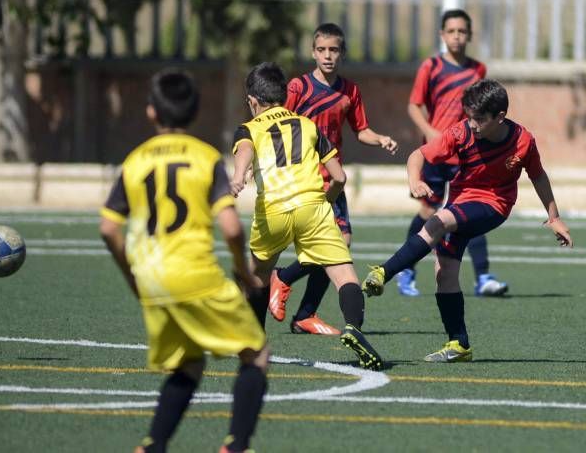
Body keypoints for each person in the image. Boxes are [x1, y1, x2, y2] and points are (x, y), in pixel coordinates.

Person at [99, 70, 269, 453]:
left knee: (189, 363)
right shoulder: (205, 157)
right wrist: (244, 273)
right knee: (256, 354)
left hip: (153, 280)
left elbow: (109, 229)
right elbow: (230, 228)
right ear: (194, 114)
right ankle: (237, 446)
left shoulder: (135, 161)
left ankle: (153, 445)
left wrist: (133, 277)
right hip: (195, 275)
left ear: (150, 112)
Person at [363, 79, 573, 362]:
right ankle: (459, 344)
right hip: (460, 201)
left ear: (500, 117)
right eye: (469, 117)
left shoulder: (523, 141)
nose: (472, 124)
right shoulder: (461, 132)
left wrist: (554, 216)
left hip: (494, 206)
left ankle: (384, 272)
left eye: (479, 120)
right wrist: (415, 181)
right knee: (444, 273)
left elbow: (537, 175)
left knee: (438, 222)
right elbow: (418, 155)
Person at [230, 61, 383, 371]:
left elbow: (245, 149)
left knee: (257, 275)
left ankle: (255, 339)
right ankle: (353, 327)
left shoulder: (250, 127)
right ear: (286, 97)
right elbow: (339, 177)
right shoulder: (308, 124)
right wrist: (324, 203)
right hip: (314, 207)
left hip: (273, 209)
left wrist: (238, 174)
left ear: (252, 101)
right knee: (344, 275)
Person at [268, 23, 398, 336]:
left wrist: (379, 138)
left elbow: (361, 129)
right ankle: (285, 282)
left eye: (334, 50)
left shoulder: (350, 90)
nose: (328, 56)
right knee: (336, 247)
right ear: (313, 52)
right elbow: (279, 124)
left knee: (341, 244)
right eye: (322, 50)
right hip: (305, 181)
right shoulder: (299, 88)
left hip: (333, 181)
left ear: (342, 53)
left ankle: (302, 310)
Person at [396, 9, 509, 297]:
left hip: (466, 153)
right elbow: (413, 105)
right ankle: (406, 271)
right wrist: (431, 131)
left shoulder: (477, 70)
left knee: (472, 209)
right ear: (442, 35)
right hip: (436, 153)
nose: (457, 36)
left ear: (469, 35)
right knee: (427, 211)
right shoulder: (431, 67)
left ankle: (483, 276)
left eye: (462, 31)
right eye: (451, 31)